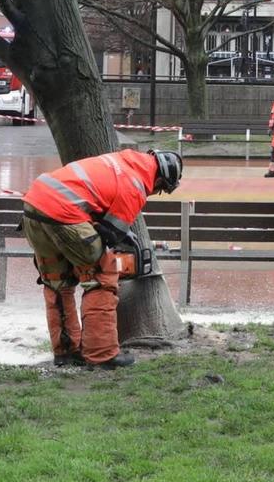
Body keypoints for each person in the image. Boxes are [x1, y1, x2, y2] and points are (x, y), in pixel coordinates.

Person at [20, 148, 184, 369]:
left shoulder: (121, 162)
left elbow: (93, 202)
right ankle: (102, 355)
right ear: (161, 178)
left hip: (33, 208)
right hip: (63, 215)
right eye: (162, 189)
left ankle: (66, 352)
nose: (156, 192)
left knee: (57, 282)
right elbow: (110, 234)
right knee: (101, 276)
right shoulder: (137, 185)